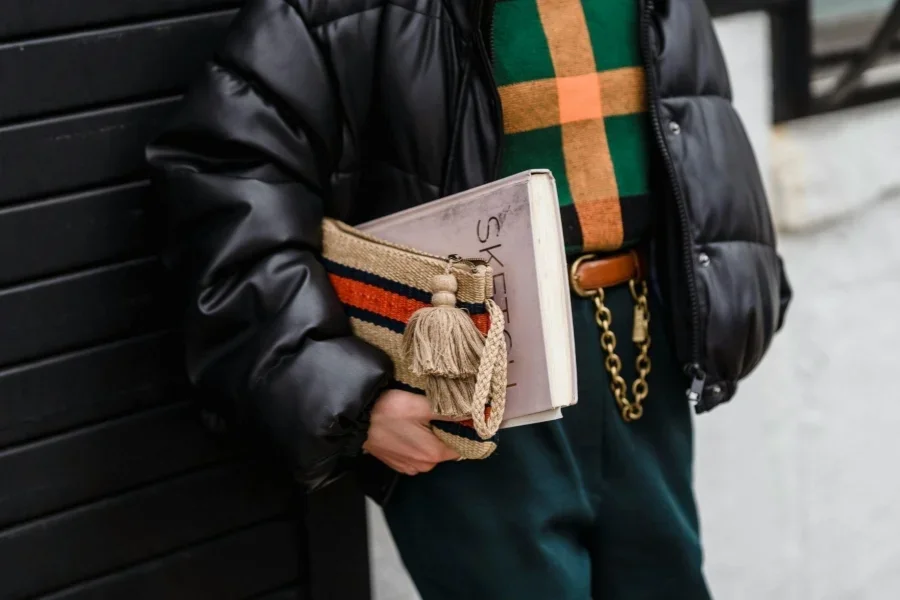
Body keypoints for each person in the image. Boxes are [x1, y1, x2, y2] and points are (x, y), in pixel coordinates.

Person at [147, 0, 792, 598]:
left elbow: (689, 111)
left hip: (641, 349)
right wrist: (352, 399)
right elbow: (230, 173)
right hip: (464, 371)